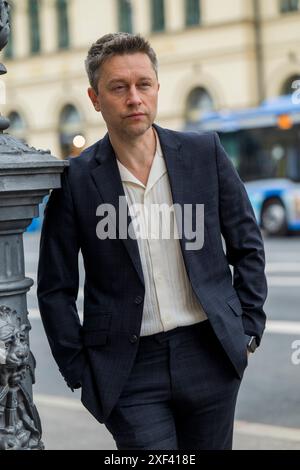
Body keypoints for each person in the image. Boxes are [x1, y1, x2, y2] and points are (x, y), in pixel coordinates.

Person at [37, 33, 267, 450]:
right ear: (95, 97)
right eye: (118, 87)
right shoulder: (76, 180)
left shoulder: (204, 153)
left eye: (143, 84)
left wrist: (248, 329)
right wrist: (80, 370)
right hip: (128, 370)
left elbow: (246, 243)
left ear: (157, 88)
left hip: (209, 351)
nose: (134, 98)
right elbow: (56, 288)